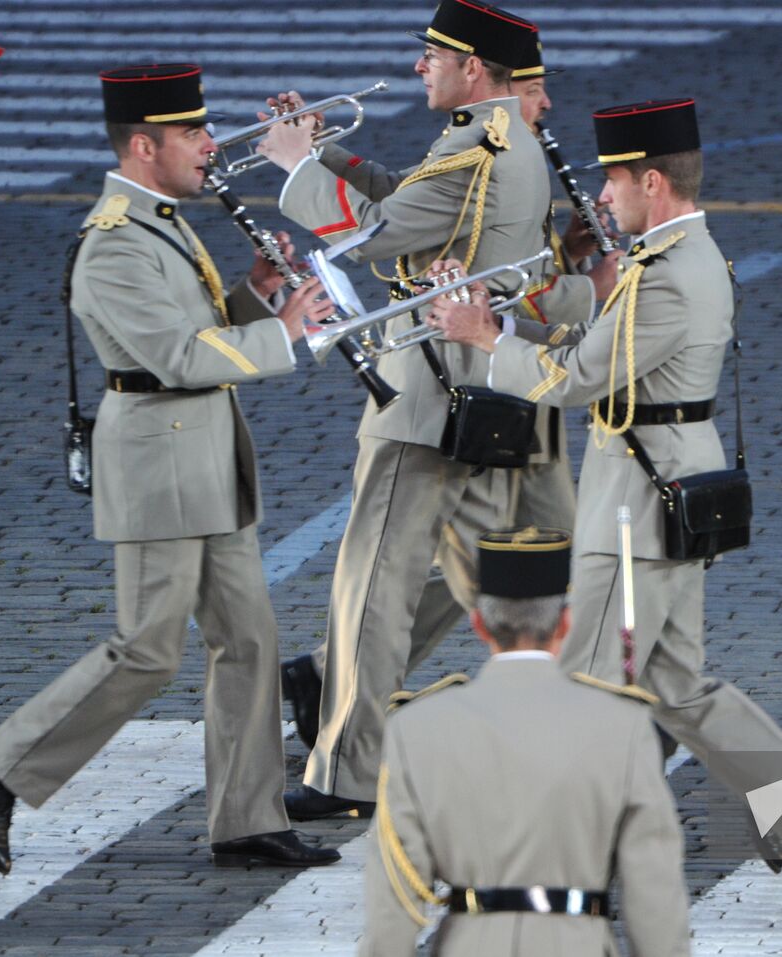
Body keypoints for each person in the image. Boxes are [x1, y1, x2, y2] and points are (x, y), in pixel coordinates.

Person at [428, 97, 782, 927]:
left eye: (615, 179)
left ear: (653, 182)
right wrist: (534, 300)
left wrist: (484, 338)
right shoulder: (671, 257)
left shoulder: (666, 275)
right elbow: (596, 344)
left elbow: (575, 382)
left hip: (638, 507)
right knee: (680, 688)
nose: (603, 191)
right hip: (654, 488)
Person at [0, 63, 340, 874]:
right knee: (147, 647)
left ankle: (247, 818)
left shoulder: (160, 219)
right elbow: (173, 355)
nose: (210, 146)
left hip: (204, 454)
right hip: (161, 461)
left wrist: (253, 294)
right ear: (143, 145)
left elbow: (192, 324)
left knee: (247, 639)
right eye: (193, 134)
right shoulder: (113, 243)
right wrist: (289, 332)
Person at [254, 0, 550, 821]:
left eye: (433, 55)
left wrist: (293, 169)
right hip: (471, 384)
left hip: (422, 388)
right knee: (470, 571)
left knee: (371, 582)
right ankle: (323, 679)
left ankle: (344, 770)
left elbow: (376, 233)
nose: (420, 66)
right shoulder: (491, 141)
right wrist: (325, 151)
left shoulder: (478, 146)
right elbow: (411, 200)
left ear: (474, 69)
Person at [360, 527, 688, 956]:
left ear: (479, 623)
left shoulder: (417, 726)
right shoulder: (622, 724)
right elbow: (654, 892)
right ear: (565, 624)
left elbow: (394, 896)